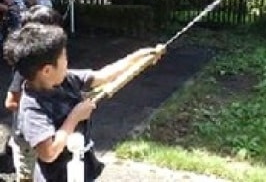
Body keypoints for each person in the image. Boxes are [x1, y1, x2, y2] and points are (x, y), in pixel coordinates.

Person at [3, 23, 165, 182]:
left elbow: (103, 76)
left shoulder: (66, 79)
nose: (67, 62)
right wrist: (74, 117)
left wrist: (139, 56)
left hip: (81, 164)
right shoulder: (33, 108)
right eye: (64, 58)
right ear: (47, 70)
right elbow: (48, 153)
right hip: (58, 176)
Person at [3, 5, 64, 181]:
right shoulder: (26, 69)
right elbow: (10, 102)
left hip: (45, 134)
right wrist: (37, 106)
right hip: (27, 140)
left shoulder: (52, 60)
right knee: (28, 176)